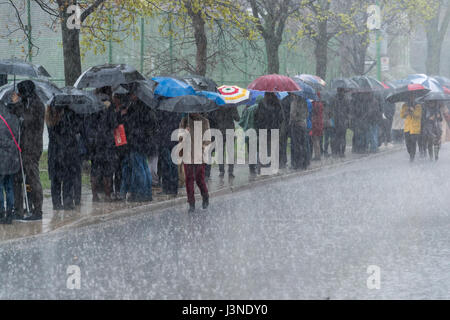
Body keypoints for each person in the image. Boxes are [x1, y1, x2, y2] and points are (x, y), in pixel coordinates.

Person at [10, 80, 45, 221]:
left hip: (32, 149)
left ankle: (37, 210)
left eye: (20, 92)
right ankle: (19, 209)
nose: (18, 94)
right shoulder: (27, 103)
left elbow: (26, 119)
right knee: (17, 179)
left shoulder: (37, 105)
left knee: (32, 179)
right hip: (21, 148)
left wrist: (18, 104)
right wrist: (13, 106)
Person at [116, 90, 156, 202]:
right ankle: (147, 193)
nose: (130, 96)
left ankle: (141, 194)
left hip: (136, 141)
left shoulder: (137, 108)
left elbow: (132, 124)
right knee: (143, 166)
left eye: (132, 94)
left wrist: (124, 115)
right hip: (143, 142)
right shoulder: (147, 107)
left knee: (139, 168)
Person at [46, 103, 82, 210]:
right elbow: (74, 130)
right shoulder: (67, 117)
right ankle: (67, 201)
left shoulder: (49, 117)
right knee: (67, 177)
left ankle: (56, 203)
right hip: (66, 152)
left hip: (54, 152)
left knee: (55, 179)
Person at [87, 86, 118, 202]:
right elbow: (114, 123)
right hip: (107, 142)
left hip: (95, 142)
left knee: (95, 169)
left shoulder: (91, 102)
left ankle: (94, 195)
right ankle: (108, 195)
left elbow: (89, 122)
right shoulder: (109, 105)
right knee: (107, 171)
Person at [179, 113, 210, 213]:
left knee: (199, 178)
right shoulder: (184, 121)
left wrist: (201, 147)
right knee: (189, 179)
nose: (193, 112)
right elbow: (179, 138)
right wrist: (184, 132)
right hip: (187, 154)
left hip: (199, 154)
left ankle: (205, 196)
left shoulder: (204, 121)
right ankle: (191, 203)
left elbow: (207, 140)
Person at [0, 102, 21, 224]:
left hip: (2, 159)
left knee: (0, 187)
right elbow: (16, 137)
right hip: (12, 159)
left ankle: (1, 212)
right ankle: (10, 212)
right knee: (9, 187)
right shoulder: (14, 120)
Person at [255, 93, 283, 172]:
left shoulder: (262, 103)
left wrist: (260, 125)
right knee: (273, 148)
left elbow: (258, 117)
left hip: (264, 129)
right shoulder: (277, 103)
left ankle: (263, 166)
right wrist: (276, 124)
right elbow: (281, 118)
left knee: (264, 148)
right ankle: (272, 165)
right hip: (274, 129)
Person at [209, 106, 240, 178]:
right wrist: (232, 113)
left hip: (220, 131)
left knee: (220, 152)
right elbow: (238, 118)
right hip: (230, 131)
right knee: (230, 152)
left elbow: (213, 118)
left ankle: (222, 171)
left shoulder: (216, 104)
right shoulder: (232, 105)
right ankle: (230, 171)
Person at [157, 110, 181, 196]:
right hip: (173, 139)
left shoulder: (163, 109)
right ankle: (173, 188)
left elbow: (160, 124)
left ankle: (167, 187)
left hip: (165, 140)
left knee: (166, 165)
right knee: (172, 165)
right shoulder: (176, 110)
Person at [289, 94, 309, 170]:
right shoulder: (304, 102)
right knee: (303, 144)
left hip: (296, 125)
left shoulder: (294, 102)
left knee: (296, 145)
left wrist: (293, 119)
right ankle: (304, 163)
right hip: (303, 125)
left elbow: (292, 114)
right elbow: (307, 114)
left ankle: (297, 163)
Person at [330, 88, 350, 158]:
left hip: (336, 120)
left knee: (337, 137)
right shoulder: (346, 99)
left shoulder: (334, 99)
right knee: (343, 137)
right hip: (343, 121)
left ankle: (338, 151)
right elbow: (349, 110)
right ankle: (342, 152)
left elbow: (331, 109)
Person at [401, 97, 422, 162]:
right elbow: (402, 116)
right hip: (407, 128)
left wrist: (412, 111)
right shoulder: (404, 106)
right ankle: (411, 153)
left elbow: (418, 115)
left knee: (413, 143)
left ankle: (412, 157)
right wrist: (407, 112)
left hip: (415, 128)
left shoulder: (418, 106)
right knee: (408, 144)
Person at [311, 95, 324, 161]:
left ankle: (317, 156)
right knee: (317, 139)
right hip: (320, 122)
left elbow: (313, 112)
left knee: (315, 140)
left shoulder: (315, 104)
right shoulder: (321, 104)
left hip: (315, 123)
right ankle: (318, 155)